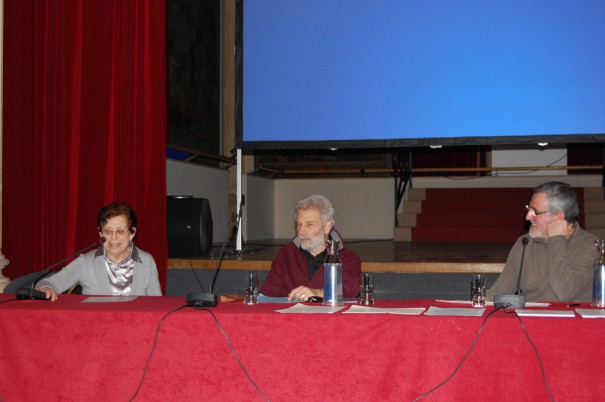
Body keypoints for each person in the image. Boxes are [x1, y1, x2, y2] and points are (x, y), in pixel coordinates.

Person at [487, 181, 598, 303]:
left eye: (535, 211)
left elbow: (565, 293)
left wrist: (556, 239)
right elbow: (499, 291)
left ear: (559, 217)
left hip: (571, 320)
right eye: (529, 209)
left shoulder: (591, 246)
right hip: (529, 319)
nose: (528, 217)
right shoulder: (525, 243)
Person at [36, 202, 162, 301]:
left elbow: (157, 304)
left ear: (132, 233)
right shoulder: (86, 262)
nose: (113, 237)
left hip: (138, 329)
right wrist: (46, 289)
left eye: (120, 231)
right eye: (107, 231)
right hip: (96, 330)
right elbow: (47, 283)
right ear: (100, 233)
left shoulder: (147, 261)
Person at [260, 194, 362, 301]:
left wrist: (318, 292)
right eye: (299, 224)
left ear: (327, 227)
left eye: (309, 224)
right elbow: (269, 292)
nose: (301, 231)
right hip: (292, 317)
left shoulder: (348, 258)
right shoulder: (285, 254)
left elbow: (351, 288)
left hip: (330, 316)